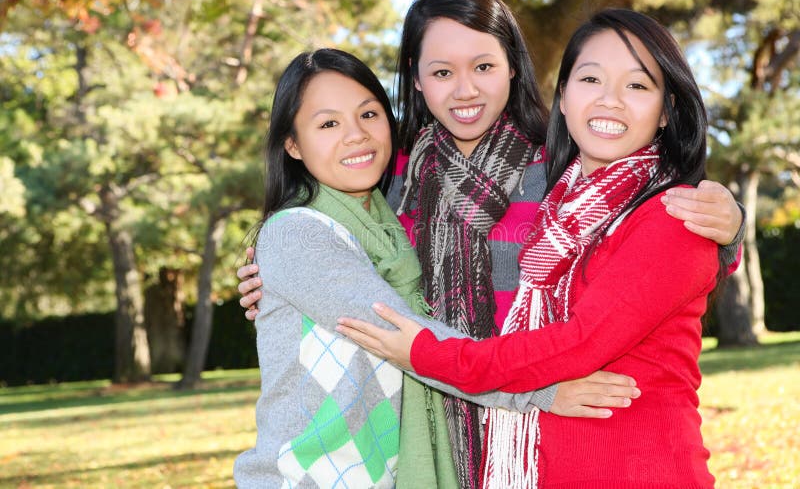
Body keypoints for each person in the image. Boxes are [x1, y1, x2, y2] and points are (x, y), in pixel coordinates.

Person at [236, 0, 743, 488]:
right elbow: (338, 261)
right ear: (415, 80)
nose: (465, 90)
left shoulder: (560, 170)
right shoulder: (393, 184)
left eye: (483, 66)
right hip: (436, 430)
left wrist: (731, 228)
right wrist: (271, 281)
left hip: (538, 427)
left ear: (514, 66)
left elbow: (643, 245)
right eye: (441, 72)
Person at [233, 48, 639, 489]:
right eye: (328, 124)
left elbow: (638, 209)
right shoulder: (300, 234)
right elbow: (403, 334)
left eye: (369, 114)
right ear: (291, 144)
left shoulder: (393, 217)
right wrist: (542, 392)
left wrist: (727, 222)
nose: (356, 135)